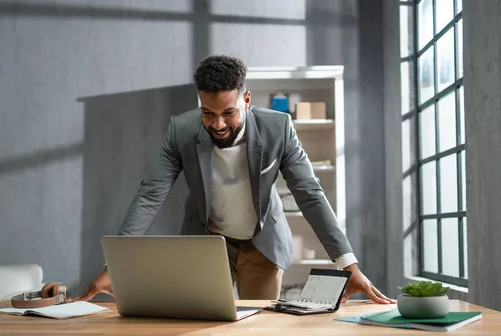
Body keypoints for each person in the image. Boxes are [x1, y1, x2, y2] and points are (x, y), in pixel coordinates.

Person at [75, 55, 395, 304]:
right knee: (207, 326)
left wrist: (348, 265)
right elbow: (149, 195)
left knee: (259, 329)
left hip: (262, 244)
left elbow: (310, 194)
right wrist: (113, 265)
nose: (217, 124)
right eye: (207, 113)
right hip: (208, 243)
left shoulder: (278, 129)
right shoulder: (181, 131)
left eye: (228, 113)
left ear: (246, 99)